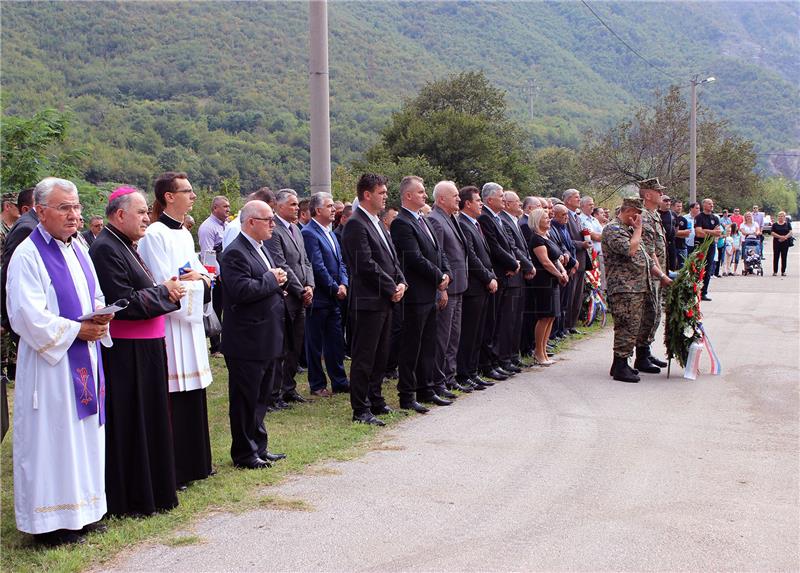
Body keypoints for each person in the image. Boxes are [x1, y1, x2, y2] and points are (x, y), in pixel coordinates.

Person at [6, 177, 112, 545]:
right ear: (40, 211)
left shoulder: (78, 248)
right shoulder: (28, 254)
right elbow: (25, 315)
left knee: (84, 437)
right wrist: (75, 331)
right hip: (50, 368)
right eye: (64, 207)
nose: (74, 215)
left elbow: (94, 293)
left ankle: (85, 510)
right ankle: (52, 523)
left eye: (77, 207)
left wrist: (100, 317)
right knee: (55, 440)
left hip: (85, 357)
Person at [89, 187, 182, 516]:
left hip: (146, 348)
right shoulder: (105, 248)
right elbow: (123, 303)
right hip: (128, 352)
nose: (147, 217)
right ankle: (135, 496)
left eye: (147, 212)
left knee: (152, 420)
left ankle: (154, 490)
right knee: (134, 422)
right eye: (141, 212)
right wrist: (165, 293)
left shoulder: (124, 244)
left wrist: (164, 291)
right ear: (119, 215)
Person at [138, 171, 214, 487]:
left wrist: (200, 281)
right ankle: (177, 467)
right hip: (170, 325)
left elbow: (199, 275)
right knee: (174, 397)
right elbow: (165, 284)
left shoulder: (183, 233)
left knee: (193, 394)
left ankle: (197, 462)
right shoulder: (154, 234)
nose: (193, 196)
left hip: (191, 327)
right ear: (169, 196)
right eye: (188, 190)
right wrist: (196, 282)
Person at [220, 200, 288, 469]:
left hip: (267, 334)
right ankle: (244, 453)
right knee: (245, 399)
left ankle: (259, 446)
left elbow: (264, 282)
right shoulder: (235, 252)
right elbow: (241, 291)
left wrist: (276, 280)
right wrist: (272, 279)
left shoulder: (261, 248)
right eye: (268, 219)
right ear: (250, 222)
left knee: (261, 397)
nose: (273, 224)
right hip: (247, 339)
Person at [341, 173, 407, 426]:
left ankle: (376, 399)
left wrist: (400, 281)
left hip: (385, 299)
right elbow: (365, 265)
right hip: (368, 301)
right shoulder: (356, 224)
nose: (385, 196)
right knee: (365, 356)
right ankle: (361, 408)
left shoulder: (378, 222)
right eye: (381, 192)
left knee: (381, 354)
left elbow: (391, 258)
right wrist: (391, 287)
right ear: (367, 195)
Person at [391, 176, 452, 411]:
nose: (424, 195)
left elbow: (438, 251)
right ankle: (407, 395)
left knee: (428, 345)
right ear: (407, 196)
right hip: (415, 295)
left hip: (430, 293)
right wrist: (439, 276)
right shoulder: (401, 223)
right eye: (420, 192)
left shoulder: (423, 220)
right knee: (411, 347)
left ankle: (427, 389)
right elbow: (414, 258)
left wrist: (445, 273)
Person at [602, 197, 671, 383]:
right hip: (624, 287)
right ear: (628, 211)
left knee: (635, 327)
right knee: (626, 326)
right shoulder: (613, 229)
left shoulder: (630, 230)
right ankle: (620, 364)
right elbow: (630, 251)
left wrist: (663, 277)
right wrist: (639, 229)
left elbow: (647, 258)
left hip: (639, 286)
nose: (639, 217)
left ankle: (622, 363)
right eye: (637, 213)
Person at [264, 189, 314, 406]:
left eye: (296, 205)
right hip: (286, 297)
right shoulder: (274, 230)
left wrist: (310, 285)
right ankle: (273, 393)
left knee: (296, 345)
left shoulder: (296, 229)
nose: (296, 208)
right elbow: (280, 263)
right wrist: (300, 289)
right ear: (279, 206)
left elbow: (306, 262)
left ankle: (289, 388)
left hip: (302, 295)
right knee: (281, 347)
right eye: (292, 204)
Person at [301, 192, 350, 397]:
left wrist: (344, 283)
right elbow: (317, 266)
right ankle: (317, 383)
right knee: (315, 344)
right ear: (318, 210)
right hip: (320, 297)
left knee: (335, 342)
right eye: (329, 206)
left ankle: (339, 381)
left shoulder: (330, 232)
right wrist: (334, 287)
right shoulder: (309, 233)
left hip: (334, 297)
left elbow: (340, 262)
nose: (333, 210)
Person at [428, 181, 470, 394]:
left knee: (454, 336)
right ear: (441, 199)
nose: (458, 199)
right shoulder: (435, 220)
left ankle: (450, 377)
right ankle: (438, 380)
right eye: (454, 195)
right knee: (442, 338)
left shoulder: (451, 218)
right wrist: (441, 288)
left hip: (459, 286)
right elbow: (438, 256)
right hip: (447, 289)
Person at [455, 186, 497, 391]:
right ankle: (464, 373)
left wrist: (491, 275)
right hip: (473, 286)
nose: (481, 203)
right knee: (469, 334)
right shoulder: (463, 224)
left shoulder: (475, 224)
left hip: (482, 285)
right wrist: (488, 277)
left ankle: (472, 372)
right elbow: (471, 257)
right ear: (468, 203)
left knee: (479, 332)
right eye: (478, 200)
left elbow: (484, 254)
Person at [477, 183, 520, 381]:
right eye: (501, 196)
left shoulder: (497, 217)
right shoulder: (485, 217)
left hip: (505, 274)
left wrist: (515, 262)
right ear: (489, 199)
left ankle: (494, 361)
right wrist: (512, 263)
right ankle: (488, 364)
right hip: (496, 275)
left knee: (498, 322)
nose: (504, 199)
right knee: (492, 323)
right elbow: (494, 248)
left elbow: (509, 244)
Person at [498, 191, 534, 372]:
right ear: (507, 203)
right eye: (517, 202)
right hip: (512, 276)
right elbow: (512, 248)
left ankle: (513, 355)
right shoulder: (504, 220)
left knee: (517, 319)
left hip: (519, 276)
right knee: (508, 321)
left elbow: (522, 248)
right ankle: (505, 358)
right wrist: (528, 265)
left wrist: (527, 264)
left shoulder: (513, 220)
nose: (520, 205)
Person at [527, 207, 569, 366]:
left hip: (553, 281)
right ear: (537, 220)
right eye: (545, 217)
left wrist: (563, 271)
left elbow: (556, 258)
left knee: (551, 316)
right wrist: (559, 274)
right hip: (543, 281)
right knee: (544, 316)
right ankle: (538, 352)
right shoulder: (536, 239)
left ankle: (544, 350)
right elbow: (545, 262)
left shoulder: (547, 236)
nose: (549, 219)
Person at [636, 178, 669, 372]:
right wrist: (661, 274)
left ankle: (645, 352)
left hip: (658, 273)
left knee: (655, 314)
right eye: (658, 191)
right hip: (649, 274)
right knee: (649, 314)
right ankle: (641, 356)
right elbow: (649, 252)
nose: (662, 194)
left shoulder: (654, 215)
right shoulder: (644, 217)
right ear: (648, 195)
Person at [198, 195, 230, 357]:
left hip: (228, 272)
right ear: (215, 208)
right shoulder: (207, 227)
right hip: (216, 276)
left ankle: (226, 343)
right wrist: (218, 274)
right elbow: (207, 255)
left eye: (228, 206)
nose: (228, 209)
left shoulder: (227, 226)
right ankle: (216, 346)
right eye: (225, 206)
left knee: (227, 307)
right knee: (216, 309)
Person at [563, 189, 591, 334]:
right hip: (572, 260)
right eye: (576, 197)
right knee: (570, 294)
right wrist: (581, 244)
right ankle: (566, 325)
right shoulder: (565, 215)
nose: (579, 200)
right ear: (568, 200)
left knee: (577, 295)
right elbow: (565, 240)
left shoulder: (577, 217)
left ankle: (572, 324)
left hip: (581, 260)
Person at [693, 198, 722, 301]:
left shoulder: (715, 218)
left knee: (708, 269)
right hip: (700, 245)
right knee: (698, 268)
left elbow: (718, 233)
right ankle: (695, 291)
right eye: (709, 203)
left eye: (712, 203)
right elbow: (698, 233)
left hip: (711, 245)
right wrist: (712, 232)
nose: (711, 205)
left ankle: (704, 292)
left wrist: (707, 231)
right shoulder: (699, 217)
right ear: (704, 205)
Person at [675, 202, 699, 267]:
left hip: (696, 243)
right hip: (685, 244)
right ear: (691, 209)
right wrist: (681, 233)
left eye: (699, 208)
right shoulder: (685, 218)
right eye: (696, 208)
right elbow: (672, 232)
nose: (698, 210)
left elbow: (687, 233)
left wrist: (679, 233)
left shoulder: (699, 218)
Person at [771, 211, 793, 276]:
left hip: (785, 242)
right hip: (777, 242)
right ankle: (775, 271)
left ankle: (783, 271)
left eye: (782, 216)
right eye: (779, 216)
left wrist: (785, 237)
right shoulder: (774, 224)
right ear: (778, 217)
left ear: (784, 217)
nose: (781, 217)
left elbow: (790, 232)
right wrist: (780, 237)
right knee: (776, 256)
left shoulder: (788, 224)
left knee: (784, 257)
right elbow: (772, 233)